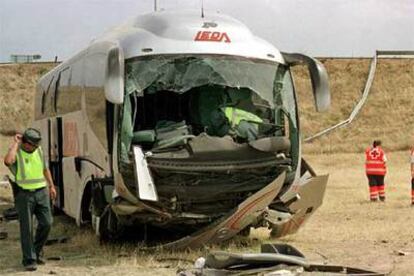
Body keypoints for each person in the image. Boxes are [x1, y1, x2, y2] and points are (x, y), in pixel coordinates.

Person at [3, 128, 57, 271]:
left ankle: (36, 252)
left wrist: (51, 186)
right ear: (26, 143)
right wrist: (15, 143)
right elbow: (8, 161)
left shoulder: (38, 151)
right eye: (33, 145)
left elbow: (45, 169)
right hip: (24, 195)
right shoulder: (17, 152)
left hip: (41, 192)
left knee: (47, 223)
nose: (36, 147)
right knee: (26, 229)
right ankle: (29, 260)